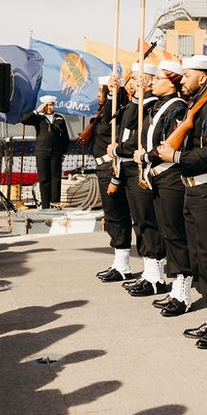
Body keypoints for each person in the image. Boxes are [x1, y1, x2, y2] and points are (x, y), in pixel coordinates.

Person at [155, 54, 207, 349]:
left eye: (187, 75)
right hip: (192, 191)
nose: (182, 80)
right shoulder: (194, 109)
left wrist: (175, 157)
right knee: (199, 258)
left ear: (204, 77)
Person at [131, 60, 188, 304]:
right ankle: (171, 284)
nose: (152, 81)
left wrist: (145, 156)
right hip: (157, 176)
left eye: (158, 78)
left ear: (172, 81)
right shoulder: (160, 105)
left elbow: (168, 145)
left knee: (175, 233)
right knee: (165, 230)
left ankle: (182, 290)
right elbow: (131, 125)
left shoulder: (177, 107)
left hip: (171, 175)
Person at [108, 64, 165, 293]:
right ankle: (150, 271)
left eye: (139, 79)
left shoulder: (152, 103)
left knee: (147, 221)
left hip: (140, 167)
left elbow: (134, 130)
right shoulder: (138, 102)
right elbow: (120, 122)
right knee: (139, 221)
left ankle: (155, 275)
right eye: (132, 80)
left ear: (149, 82)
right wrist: (117, 93)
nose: (132, 83)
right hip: (128, 167)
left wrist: (118, 150)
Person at [87, 75, 135, 282]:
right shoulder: (105, 111)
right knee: (113, 216)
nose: (98, 95)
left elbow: (109, 116)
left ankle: (123, 264)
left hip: (111, 166)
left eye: (101, 91)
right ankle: (120, 261)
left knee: (117, 216)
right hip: (102, 167)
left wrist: (111, 94)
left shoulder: (117, 110)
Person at [20, 95, 70, 208]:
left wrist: (64, 153)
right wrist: (37, 111)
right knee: (44, 179)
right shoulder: (39, 118)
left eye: (51, 105)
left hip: (56, 152)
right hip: (42, 152)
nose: (49, 107)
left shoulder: (60, 119)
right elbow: (23, 120)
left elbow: (65, 138)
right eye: (47, 105)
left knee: (56, 179)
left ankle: (55, 204)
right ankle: (45, 206)